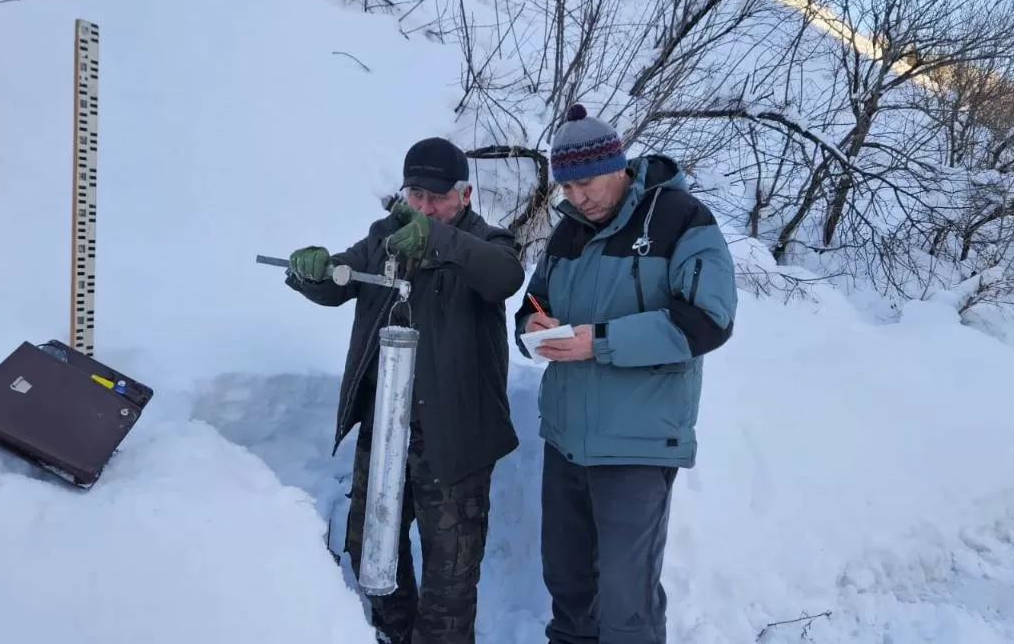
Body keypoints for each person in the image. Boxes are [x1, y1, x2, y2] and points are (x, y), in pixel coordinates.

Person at [284, 136, 525, 644]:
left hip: (455, 440)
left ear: (464, 195)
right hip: (387, 431)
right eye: (415, 195)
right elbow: (340, 281)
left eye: (436, 197)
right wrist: (313, 272)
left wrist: (434, 238)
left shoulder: (489, 242)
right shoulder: (384, 236)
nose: (424, 207)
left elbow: (504, 278)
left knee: (451, 576)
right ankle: (395, 634)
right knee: (370, 550)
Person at [513, 104, 738, 644]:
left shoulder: (680, 219)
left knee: (625, 603)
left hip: (637, 445)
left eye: (585, 183)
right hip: (566, 440)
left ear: (617, 166)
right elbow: (534, 300)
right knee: (568, 588)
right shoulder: (567, 233)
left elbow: (709, 320)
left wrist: (600, 341)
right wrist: (534, 323)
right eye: (566, 189)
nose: (576, 197)